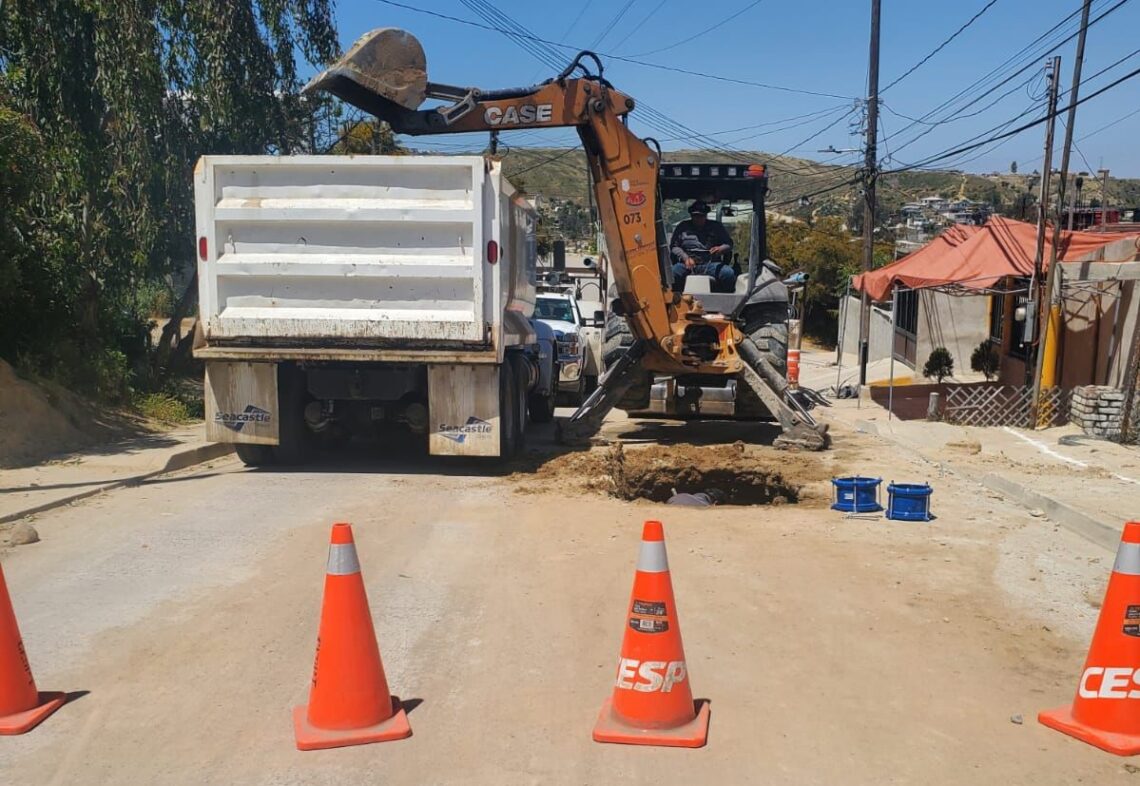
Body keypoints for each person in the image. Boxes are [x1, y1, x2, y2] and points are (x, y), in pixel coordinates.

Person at [669, 201, 736, 293]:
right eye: (695, 216)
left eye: (701, 216)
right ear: (691, 216)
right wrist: (685, 258)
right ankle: (676, 299)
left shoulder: (716, 227)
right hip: (688, 264)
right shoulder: (682, 227)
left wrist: (720, 249)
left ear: (706, 215)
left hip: (710, 263)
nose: (698, 219)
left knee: (728, 273)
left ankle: (726, 299)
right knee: (673, 273)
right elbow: (674, 247)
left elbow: (729, 244)